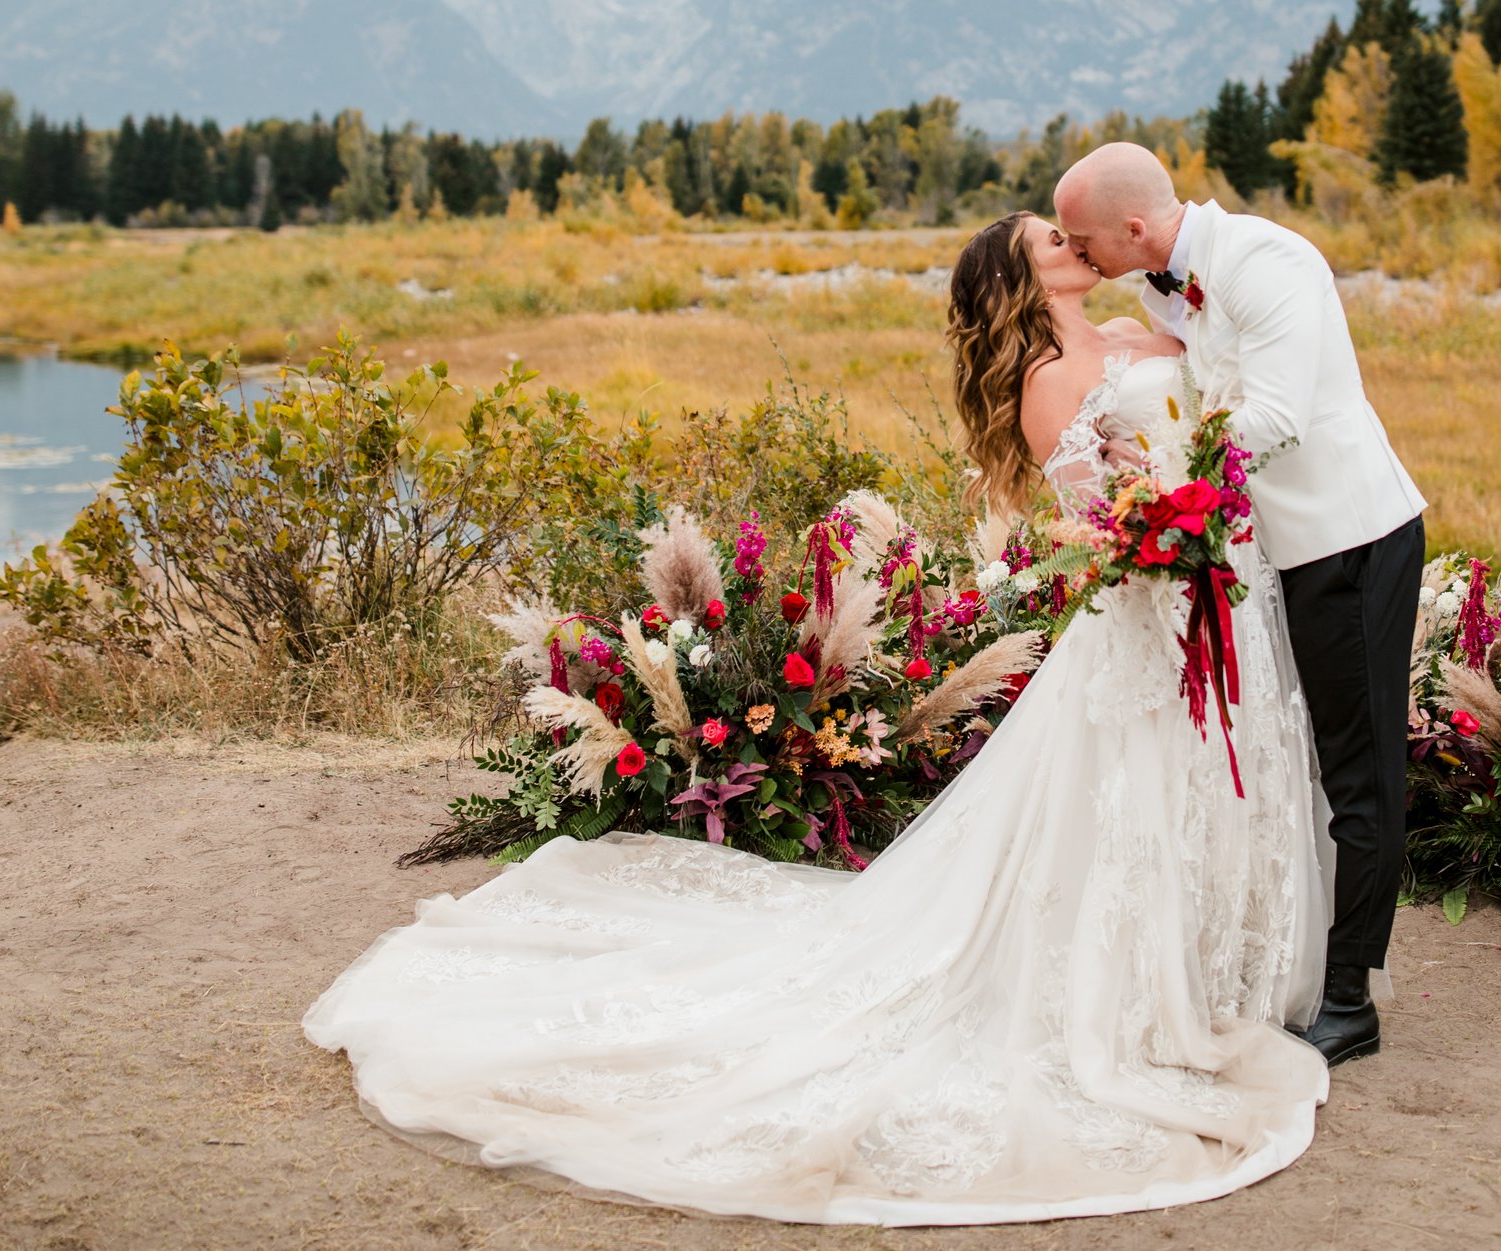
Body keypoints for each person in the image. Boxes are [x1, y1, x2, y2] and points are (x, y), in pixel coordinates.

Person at [303, 208, 1334, 1225]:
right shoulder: (1049, 381)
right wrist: (1166, 517)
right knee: (1125, 793)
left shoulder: (1115, 335)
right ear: (1025, 283)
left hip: (1216, 590)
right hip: (1151, 607)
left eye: (1071, 233)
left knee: (1185, 782)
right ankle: (1135, 993)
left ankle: (1202, 964)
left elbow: (1217, 390)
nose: (1076, 245)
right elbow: (1098, 518)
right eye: (1053, 243)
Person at [1054, 142, 1427, 1066]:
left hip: (1350, 540)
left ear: (1132, 228)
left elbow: (1276, 416)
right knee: (1309, 760)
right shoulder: (1159, 290)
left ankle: (1351, 1001)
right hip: (1273, 557)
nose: (1075, 251)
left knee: (1360, 773)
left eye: (1079, 237)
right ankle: (1316, 968)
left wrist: (1171, 487)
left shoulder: (1268, 263)